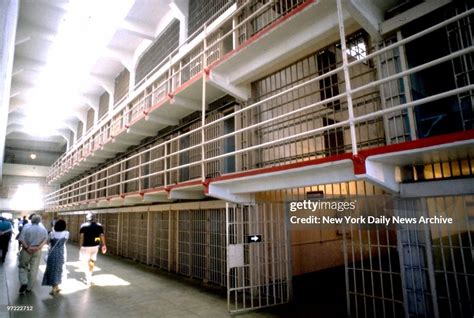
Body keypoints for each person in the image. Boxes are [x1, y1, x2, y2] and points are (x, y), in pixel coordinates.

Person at [18, 215, 48, 294]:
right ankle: (29, 288)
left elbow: (21, 238)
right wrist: (38, 247)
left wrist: (27, 247)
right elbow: (45, 239)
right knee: (34, 269)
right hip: (37, 251)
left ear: (31, 220)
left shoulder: (26, 227)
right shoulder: (43, 229)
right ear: (39, 221)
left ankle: (24, 282)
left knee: (22, 266)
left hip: (26, 250)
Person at [42, 219, 69, 295]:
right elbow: (64, 242)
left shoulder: (52, 233)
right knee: (59, 269)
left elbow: (48, 242)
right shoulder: (66, 233)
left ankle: (54, 287)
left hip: (52, 253)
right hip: (61, 252)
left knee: (52, 269)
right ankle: (56, 286)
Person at [79, 213, 106, 285]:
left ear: (87, 218)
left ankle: (87, 277)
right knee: (92, 260)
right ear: (94, 218)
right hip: (95, 245)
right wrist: (103, 244)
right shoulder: (99, 225)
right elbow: (101, 235)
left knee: (85, 262)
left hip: (86, 246)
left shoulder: (83, 226)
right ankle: (89, 277)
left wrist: (80, 245)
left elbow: (82, 236)